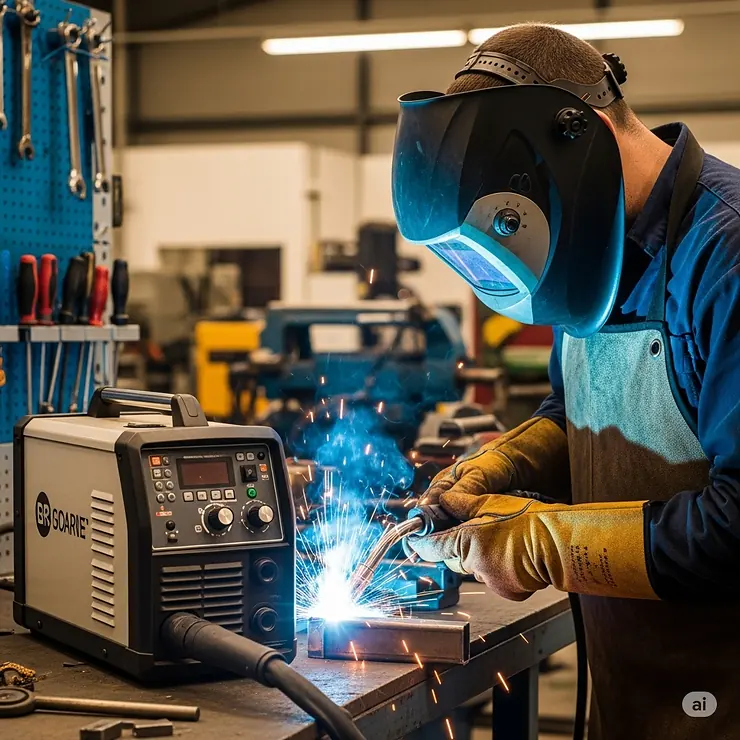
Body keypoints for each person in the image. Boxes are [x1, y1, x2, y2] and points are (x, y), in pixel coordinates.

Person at [392, 23, 740, 740]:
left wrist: (541, 543)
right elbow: (571, 407)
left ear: (580, 141)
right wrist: (505, 463)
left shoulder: (726, 255)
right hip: (633, 686)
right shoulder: (590, 243)